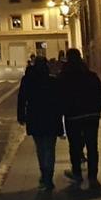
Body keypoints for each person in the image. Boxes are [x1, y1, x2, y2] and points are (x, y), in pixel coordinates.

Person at [57, 48, 101, 190]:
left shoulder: (64, 76)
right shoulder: (91, 75)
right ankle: (92, 177)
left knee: (74, 145)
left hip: (73, 116)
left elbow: (59, 97)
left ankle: (77, 173)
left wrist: (63, 113)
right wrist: (96, 110)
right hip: (91, 116)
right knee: (92, 146)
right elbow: (100, 95)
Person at [17, 58, 63, 190]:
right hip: (51, 118)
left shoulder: (28, 82)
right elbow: (59, 101)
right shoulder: (53, 81)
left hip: (35, 118)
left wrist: (21, 116)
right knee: (49, 148)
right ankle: (48, 176)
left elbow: (21, 99)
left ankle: (44, 174)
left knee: (41, 148)